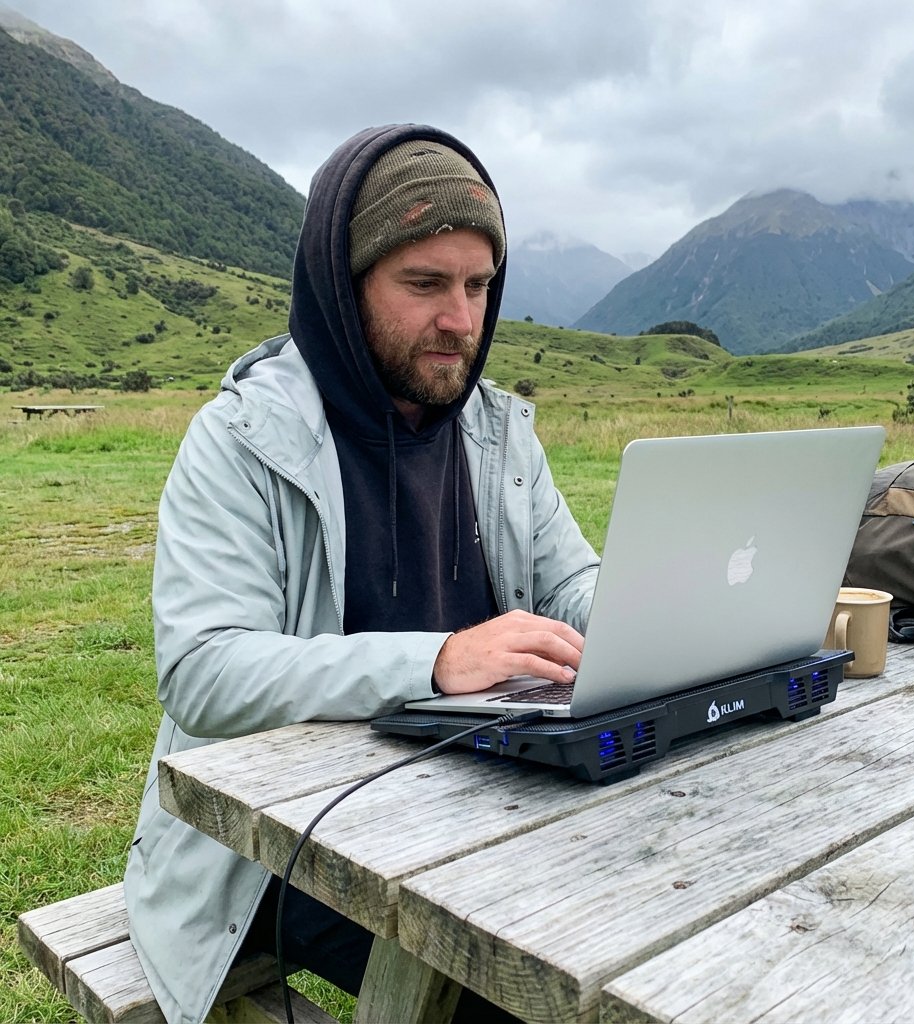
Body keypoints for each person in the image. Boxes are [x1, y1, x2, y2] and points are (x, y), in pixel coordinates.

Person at [123, 123, 600, 1024]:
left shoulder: (499, 433)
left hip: (475, 800)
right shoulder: (240, 440)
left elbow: (572, 584)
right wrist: (436, 661)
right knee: (526, 995)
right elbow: (203, 672)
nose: (461, 320)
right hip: (282, 847)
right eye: (424, 284)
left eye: (478, 286)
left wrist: (658, 614)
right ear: (344, 287)